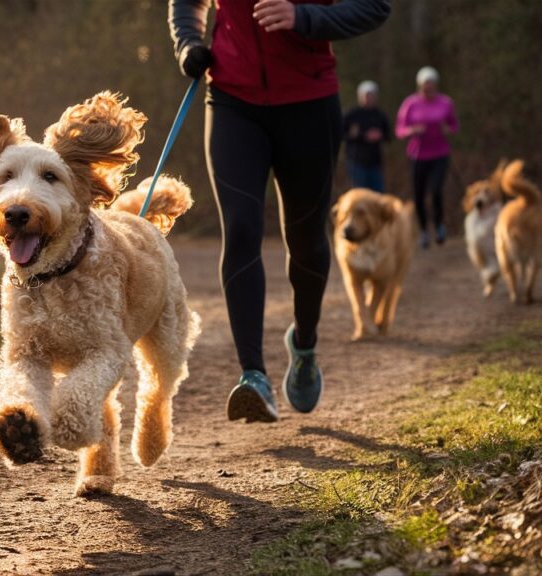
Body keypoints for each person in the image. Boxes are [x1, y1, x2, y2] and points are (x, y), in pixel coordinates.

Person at [170, 0, 390, 423]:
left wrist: (303, 17)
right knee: (241, 228)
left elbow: (375, 7)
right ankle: (253, 375)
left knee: (306, 240)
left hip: (309, 103)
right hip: (232, 100)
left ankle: (304, 345)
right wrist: (189, 44)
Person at [396, 66, 459, 249]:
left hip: (440, 154)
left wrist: (448, 130)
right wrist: (412, 130)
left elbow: (454, 125)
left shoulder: (446, 103)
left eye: (431, 84)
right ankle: (424, 230)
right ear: (420, 85)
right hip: (417, 155)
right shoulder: (410, 104)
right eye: (425, 85)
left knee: (437, 190)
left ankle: (439, 225)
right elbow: (399, 130)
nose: (428, 88)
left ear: (436, 85)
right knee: (419, 194)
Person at [343, 80, 391, 192]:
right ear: (360, 96)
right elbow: (343, 135)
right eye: (366, 95)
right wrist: (362, 136)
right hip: (356, 162)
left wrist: (380, 135)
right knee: (361, 195)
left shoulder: (380, 114)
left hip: (375, 163)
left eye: (371, 95)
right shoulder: (352, 114)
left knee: (378, 195)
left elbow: (388, 136)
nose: (369, 98)